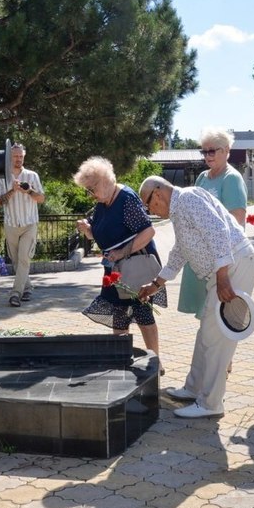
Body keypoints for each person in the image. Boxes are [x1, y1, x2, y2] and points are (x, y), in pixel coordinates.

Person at [137, 176, 254, 418]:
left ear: (158, 193)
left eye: (149, 204)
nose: (150, 210)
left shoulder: (188, 198)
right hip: (226, 270)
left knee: (218, 338)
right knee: (207, 332)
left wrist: (223, 274)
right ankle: (193, 389)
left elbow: (218, 231)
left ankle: (211, 403)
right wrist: (156, 283)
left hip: (234, 267)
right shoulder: (181, 208)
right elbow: (181, 250)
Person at [73, 157, 167, 372]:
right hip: (115, 270)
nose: (90, 194)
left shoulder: (125, 198)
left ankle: (155, 362)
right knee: (119, 314)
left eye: (91, 189)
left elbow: (148, 231)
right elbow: (102, 234)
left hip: (134, 267)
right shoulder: (102, 203)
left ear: (104, 182)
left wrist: (122, 251)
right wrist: (88, 229)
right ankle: (121, 360)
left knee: (143, 314)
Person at [178, 128, 247, 318]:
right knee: (207, 315)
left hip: (221, 260)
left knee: (216, 315)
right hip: (204, 259)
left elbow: (237, 221)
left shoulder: (231, 178)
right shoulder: (202, 177)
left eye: (212, 151)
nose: (207, 156)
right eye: (204, 151)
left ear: (226, 150)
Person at [0, 143, 45, 307]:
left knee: (24, 259)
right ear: (10, 157)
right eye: (15, 156)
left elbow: (41, 199)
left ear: (24, 156)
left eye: (21, 156)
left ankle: (15, 294)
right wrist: (13, 190)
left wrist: (28, 191)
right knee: (16, 261)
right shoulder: (2, 177)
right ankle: (28, 287)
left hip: (29, 223)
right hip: (11, 224)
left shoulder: (32, 176)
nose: (18, 159)